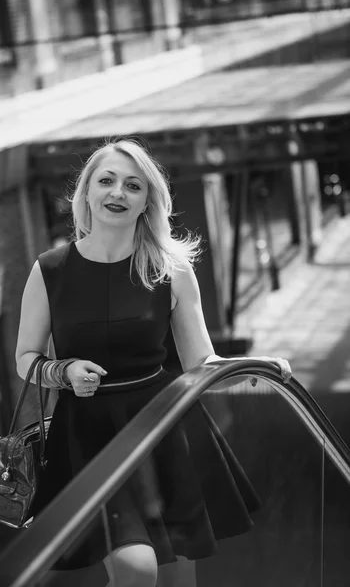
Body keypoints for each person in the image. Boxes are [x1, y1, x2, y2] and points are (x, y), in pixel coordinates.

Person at [15, 138, 292, 587]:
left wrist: (254, 366)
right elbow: (24, 358)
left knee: (181, 580)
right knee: (135, 571)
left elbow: (201, 360)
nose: (117, 193)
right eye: (106, 181)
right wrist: (61, 371)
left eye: (133, 185)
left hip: (165, 431)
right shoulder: (49, 269)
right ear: (86, 191)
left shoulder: (170, 267)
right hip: (88, 440)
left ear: (147, 201)